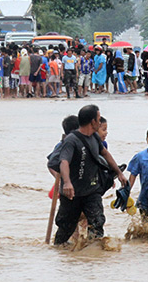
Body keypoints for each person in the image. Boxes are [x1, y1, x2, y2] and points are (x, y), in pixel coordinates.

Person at [54, 104, 127, 245]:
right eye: (98, 119)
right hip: (72, 194)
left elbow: (105, 153)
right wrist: (67, 183)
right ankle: (61, 255)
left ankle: (93, 256)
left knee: (97, 224)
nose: (100, 122)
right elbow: (64, 162)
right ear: (92, 121)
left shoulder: (94, 137)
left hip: (91, 192)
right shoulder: (71, 140)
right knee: (65, 230)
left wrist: (118, 173)